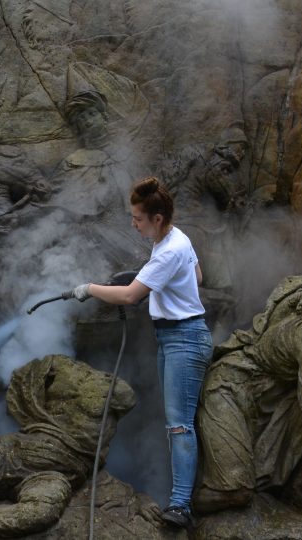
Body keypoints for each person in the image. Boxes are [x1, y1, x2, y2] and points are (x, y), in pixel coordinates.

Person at [69, 176, 213, 531]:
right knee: (176, 422)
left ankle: (181, 506)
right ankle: (181, 496)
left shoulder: (168, 250)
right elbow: (197, 276)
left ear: (157, 218)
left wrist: (90, 288)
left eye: (138, 218)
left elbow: (131, 296)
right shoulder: (176, 239)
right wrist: (161, 283)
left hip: (185, 339)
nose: (133, 224)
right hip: (173, 337)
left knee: (179, 425)